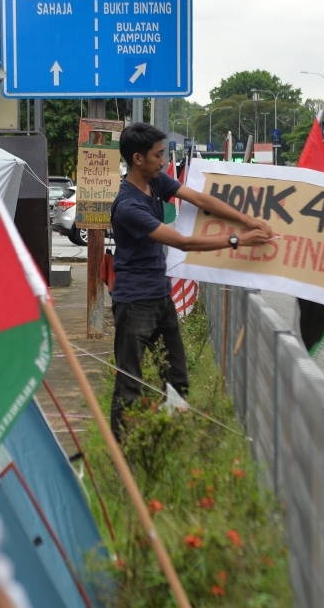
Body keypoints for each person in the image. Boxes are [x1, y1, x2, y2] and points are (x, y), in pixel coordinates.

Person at [109, 123, 273, 441]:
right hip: (133, 302)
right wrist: (239, 239)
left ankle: (161, 437)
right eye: (158, 155)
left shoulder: (155, 181)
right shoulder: (128, 206)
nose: (162, 160)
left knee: (178, 380)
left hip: (160, 296)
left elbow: (200, 199)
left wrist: (246, 218)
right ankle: (122, 454)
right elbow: (181, 243)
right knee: (130, 383)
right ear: (137, 159)